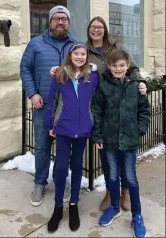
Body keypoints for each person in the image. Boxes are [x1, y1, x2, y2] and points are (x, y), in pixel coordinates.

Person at [51, 15, 147, 212]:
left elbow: (133, 68)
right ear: (89, 30)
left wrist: (140, 83)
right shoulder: (85, 50)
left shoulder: (114, 48)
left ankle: (126, 191)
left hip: (121, 100)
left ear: (105, 29)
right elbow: (73, 65)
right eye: (93, 27)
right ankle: (111, 192)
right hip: (101, 105)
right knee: (107, 155)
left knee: (124, 157)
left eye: (99, 27)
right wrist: (58, 69)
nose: (96, 30)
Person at [20, 5, 76, 206]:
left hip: (68, 110)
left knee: (64, 148)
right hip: (43, 107)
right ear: (50, 21)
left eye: (64, 18)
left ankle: (60, 178)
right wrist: (33, 94)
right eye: (56, 18)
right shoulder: (36, 44)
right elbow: (25, 69)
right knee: (42, 147)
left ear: (68, 22)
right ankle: (40, 182)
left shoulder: (76, 47)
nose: (60, 22)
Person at [92, 49, 150, 238]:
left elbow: (144, 111)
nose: (118, 69)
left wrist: (140, 129)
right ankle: (114, 207)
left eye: (122, 65)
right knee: (112, 177)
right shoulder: (104, 86)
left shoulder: (135, 86)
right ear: (109, 66)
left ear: (128, 66)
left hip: (129, 142)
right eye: (115, 65)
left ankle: (137, 215)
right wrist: (98, 136)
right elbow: (97, 111)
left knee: (131, 179)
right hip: (109, 141)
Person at [46, 42, 98, 233]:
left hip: (83, 129)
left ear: (86, 57)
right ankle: (58, 207)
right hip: (64, 129)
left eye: (83, 54)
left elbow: (96, 102)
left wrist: (95, 125)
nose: (79, 57)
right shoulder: (60, 74)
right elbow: (52, 99)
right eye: (76, 53)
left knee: (77, 167)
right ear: (70, 55)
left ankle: (73, 205)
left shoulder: (92, 77)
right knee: (61, 168)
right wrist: (51, 124)